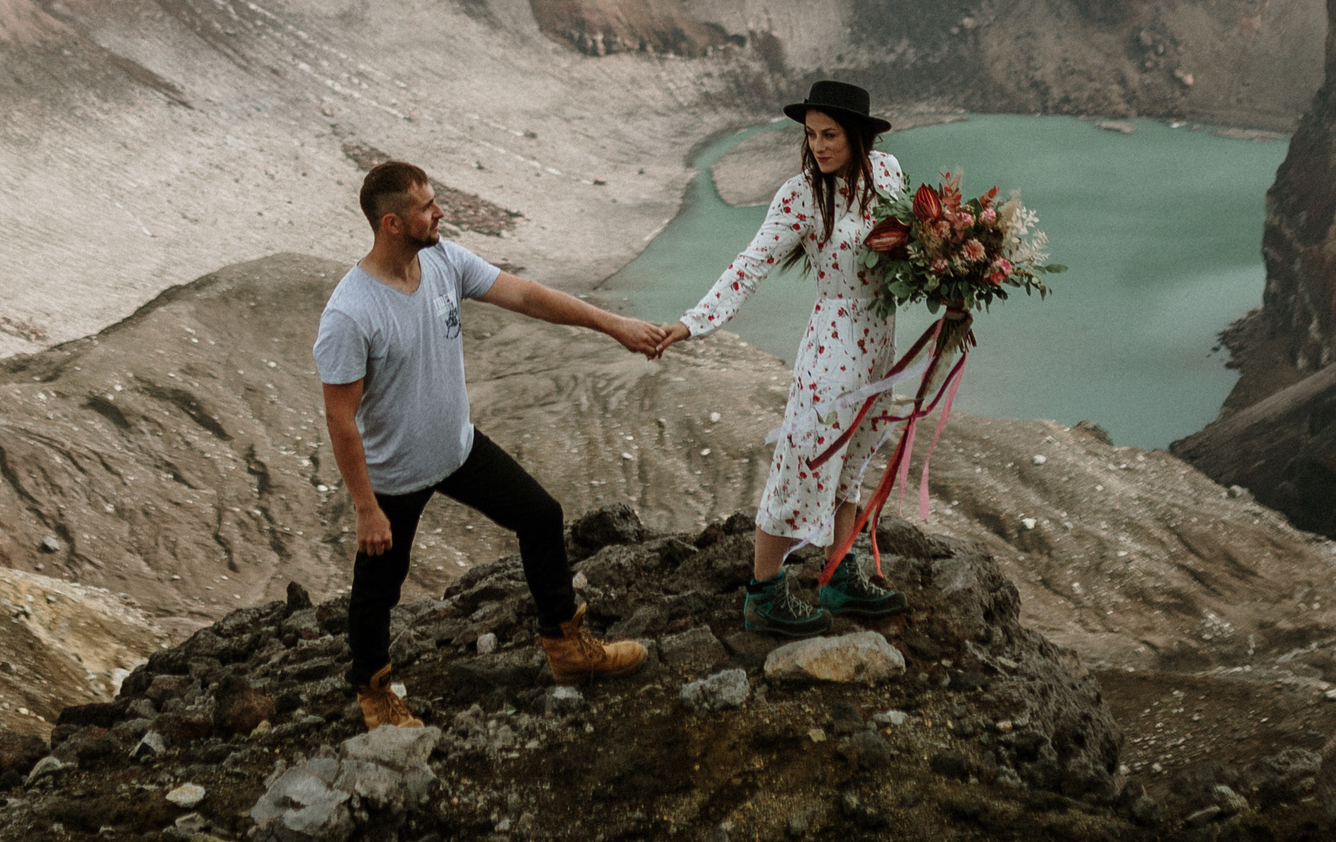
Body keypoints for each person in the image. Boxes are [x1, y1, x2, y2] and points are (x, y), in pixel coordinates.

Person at [317, 159, 662, 729]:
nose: (440, 212)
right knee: (378, 587)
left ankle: (569, 651)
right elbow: (340, 419)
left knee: (540, 515)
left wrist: (612, 325)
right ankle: (375, 694)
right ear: (392, 225)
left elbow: (525, 295)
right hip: (394, 475)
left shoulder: (445, 261)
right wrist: (366, 507)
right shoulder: (350, 314)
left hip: (457, 449)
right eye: (427, 206)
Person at [652, 79, 909, 636]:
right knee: (805, 458)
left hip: (879, 341)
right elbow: (750, 266)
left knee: (854, 458)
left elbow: (911, 248)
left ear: (859, 136)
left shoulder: (888, 175)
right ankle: (764, 592)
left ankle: (839, 573)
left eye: (830, 134)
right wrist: (692, 322)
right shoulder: (799, 195)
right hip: (833, 345)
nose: (818, 146)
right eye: (811, 134)